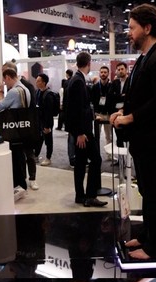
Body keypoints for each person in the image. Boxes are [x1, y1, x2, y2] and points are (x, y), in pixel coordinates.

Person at [110, 3, 156, 262]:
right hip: (142, 139)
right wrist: (121, 112)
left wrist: (129, 117)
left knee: (155, 195)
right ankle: (148, 236)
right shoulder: (144, 58)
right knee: (147, 193)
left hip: (154, 140)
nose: (129, 32)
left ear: (147, 28)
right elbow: (138, 96)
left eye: (132, 27)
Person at [65, 51, 107, 208]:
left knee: (81, 162)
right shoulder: (78, 81)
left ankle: (80, 195)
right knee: (96, 160)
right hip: (83, 131)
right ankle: (90, 196)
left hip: (80, 129)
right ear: (89, 63)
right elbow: (76, 110)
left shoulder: (77, 79)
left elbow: (80, 107)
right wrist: (80, 133)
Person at [0, 66, 32, 199]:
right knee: (20, 158)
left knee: (15, 160)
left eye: (5, 81)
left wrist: (1, 91)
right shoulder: (25, 89)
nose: (5, 84)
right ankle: (22, 185)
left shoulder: (13, 92)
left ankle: (18, 186)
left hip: (13, 131)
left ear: (8, 77)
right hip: (23, 130)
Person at [35, 73, 55, 166]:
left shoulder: (48, 95)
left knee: (48, 141)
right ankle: (36, 155)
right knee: (39, 139)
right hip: (39, 121)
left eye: (38, 81)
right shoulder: (38, 92)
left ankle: (48, 158)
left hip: (47, 122)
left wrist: (47, 126)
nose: (36, 82)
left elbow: (49, 112)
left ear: (44, 82)